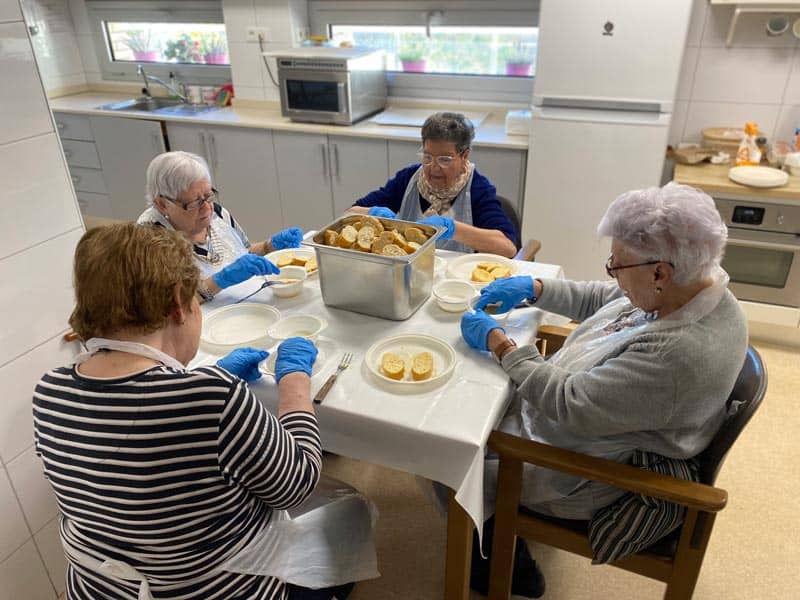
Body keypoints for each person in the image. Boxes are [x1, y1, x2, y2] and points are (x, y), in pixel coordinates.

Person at [33, 223, 352, 600]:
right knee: (344, 524)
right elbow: (297, 485)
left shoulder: (49, 390)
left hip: (102, 590)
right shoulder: (212, 400)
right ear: (177, 305)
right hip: (215, 591)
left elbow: (138, 436)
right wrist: (295, 383)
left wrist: (209, 379)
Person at [460, 182, 748, 599]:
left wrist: (501, 344)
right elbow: (608, 299)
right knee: (475, 406)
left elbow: (569, 404)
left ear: (659, 272)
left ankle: (503, 565)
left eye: (617, 264)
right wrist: (535, 289)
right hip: (596, 420)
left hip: (586, 468)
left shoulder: (680, 354)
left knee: (456, 453)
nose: (611, 272)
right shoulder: (695, 285)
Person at [137, 151, 304, 302]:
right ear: (162, 204)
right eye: (195, 203)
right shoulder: (148, 239)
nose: (207, 208)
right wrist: (219, 281)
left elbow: (242, 252)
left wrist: (269, 246)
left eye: (208, 195)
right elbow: (166, 307)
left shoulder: (216, 212)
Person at [349, 112, 518, 257]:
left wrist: (453, 229)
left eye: (444, 159)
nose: (434, 168)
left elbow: (508, 247)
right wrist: (371, 212)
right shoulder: (409, 178)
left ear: (464, 156)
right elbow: (348, 214)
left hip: (455, 281)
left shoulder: (477, 188)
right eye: (427, 157)